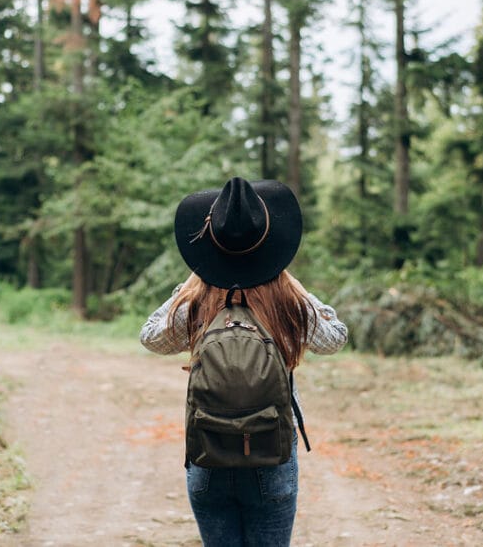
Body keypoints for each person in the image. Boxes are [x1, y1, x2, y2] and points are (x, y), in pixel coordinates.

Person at [140, 176, 348, 547]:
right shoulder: (287, 300)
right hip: (272, 455)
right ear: (272, 245)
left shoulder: (198, 299)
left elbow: (151, 336)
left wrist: (192, 282)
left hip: (208, 452)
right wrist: (297, 288)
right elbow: (335, 338)